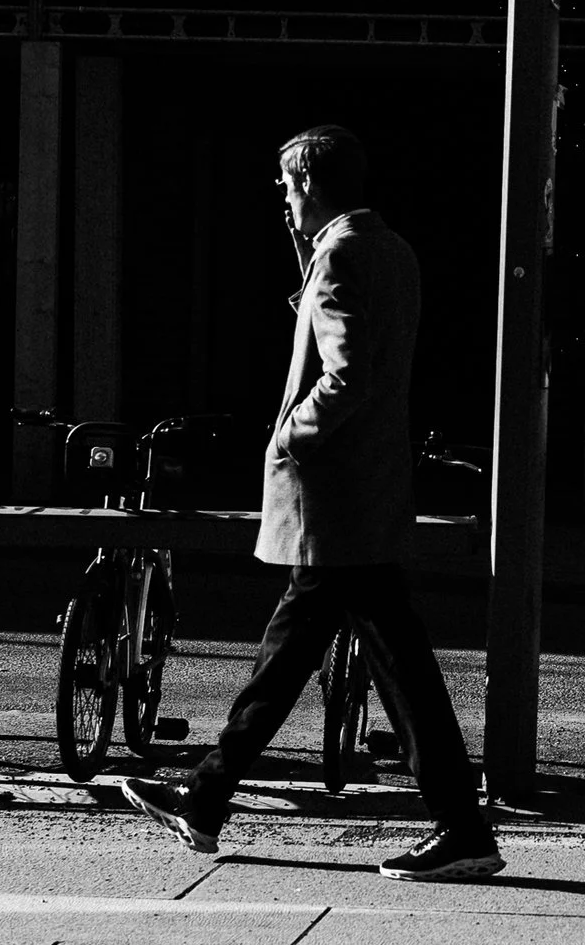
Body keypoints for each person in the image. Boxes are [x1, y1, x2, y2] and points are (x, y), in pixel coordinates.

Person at [125, 125, 500, 882]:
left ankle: (210, 798)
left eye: (288, 188)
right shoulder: (390, 249)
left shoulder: (342, 253)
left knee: (323, 658)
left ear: (312, 182)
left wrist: (289, 437)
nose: (285, 202)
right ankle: (208, 797)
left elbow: (347, 373)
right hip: (368, 492)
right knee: (355, 662)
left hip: (334, 498)